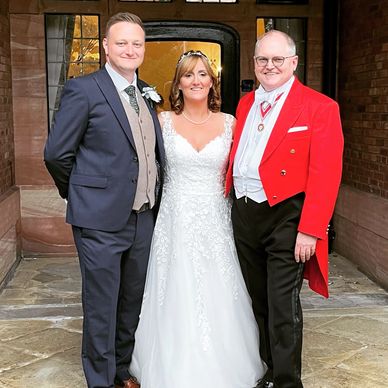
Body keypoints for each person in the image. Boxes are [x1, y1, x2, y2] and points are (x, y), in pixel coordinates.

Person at [129, 50, 267, 387]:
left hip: (217, 222)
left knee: (220, 288)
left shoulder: (231, 123)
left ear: (212, 81)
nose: (196, 81)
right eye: (188, 75)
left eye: (203, 74)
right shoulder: (161, 122)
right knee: (174, 288)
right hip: (174, 221)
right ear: (178, 84)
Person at [44, 12, 165, 388]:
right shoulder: (85, 89)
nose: (130, 49)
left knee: (131, 300)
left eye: (137, 43)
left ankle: (121, 371)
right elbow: (56, 154)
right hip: (98, 220)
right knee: (101, 305)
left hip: (142, 217)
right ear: (106, 47)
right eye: (122, 42)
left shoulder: (146, 92)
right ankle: (99, 380)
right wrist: (81, 194)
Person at [225, 30, 344, 388]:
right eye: (263, 59)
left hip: (287, 215)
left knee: (281, 304)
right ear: (255, 63)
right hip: (244, 211)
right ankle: (269, 371)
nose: (269, 66)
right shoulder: (245, 103)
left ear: (294, 63)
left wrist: (311, 227)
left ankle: (289, 381)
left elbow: (327, 172)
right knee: (256, 299)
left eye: (278, 59)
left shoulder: (320, 106)